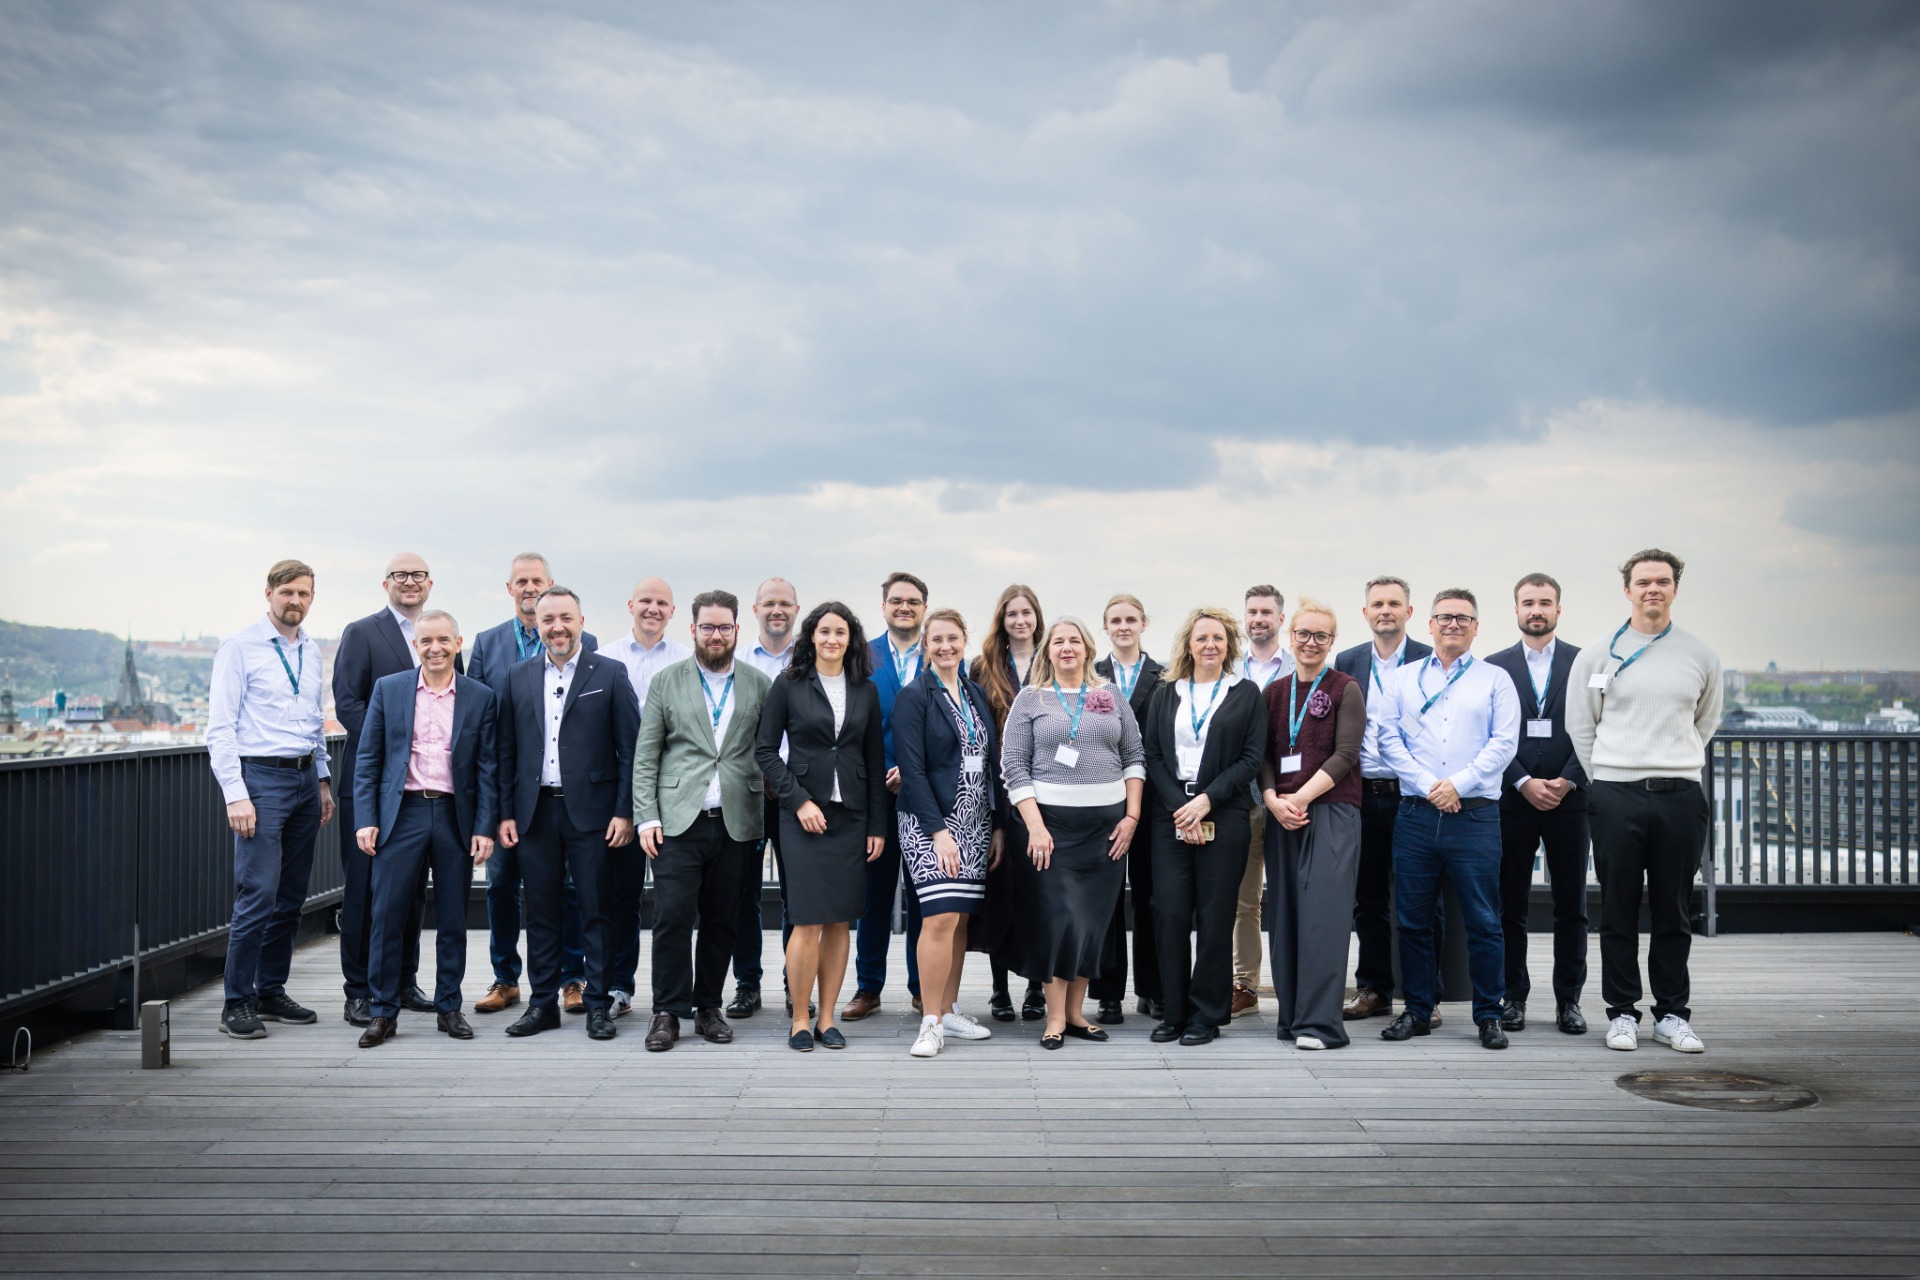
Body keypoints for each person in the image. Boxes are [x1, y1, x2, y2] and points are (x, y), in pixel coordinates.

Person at [1568, 549, 1723, 1054]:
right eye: (1643, 582)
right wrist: (1608, 778)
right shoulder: (1598, 654)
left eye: (1662, 581)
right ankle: (1622, 1013)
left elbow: (1705, 722)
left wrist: (1672, 761)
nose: (1652, 589)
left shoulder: (1701, 655)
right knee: (1617, 909)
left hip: (1680, 796)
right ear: (1627, 590)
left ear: (1675, 589)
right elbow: (1581, 725)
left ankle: (1672, 1014)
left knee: (1673, 911)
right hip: (1616, 795)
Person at [1374, 589, 1520, 1050]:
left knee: (1483, 920)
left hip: (1474, 817)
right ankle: (1418, 1010)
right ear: (1430, 624)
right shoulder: (1403, 678)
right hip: (1416, 815)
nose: (1453, 624)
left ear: (1476, 627)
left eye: (1463, 617)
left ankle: (1489, 1014)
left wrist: (1457, 784)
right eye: (1444, 617)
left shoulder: (1495, 680)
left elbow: (1503, 744)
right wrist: (1429, 785)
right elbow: (1387, 739)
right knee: (1413, 920)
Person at [631, 590, 773, 1052]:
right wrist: (645, 816)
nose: (716, 635)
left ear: (737, 630)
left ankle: (708, 1007)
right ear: (692, 629)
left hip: (737, 819)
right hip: (677, 820)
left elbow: (769, 750)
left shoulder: (758, 684)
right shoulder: (666, 681)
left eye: (724, 627)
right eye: (707, 627)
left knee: (723, 920)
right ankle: (667, 1012)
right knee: (672, 917)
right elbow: (646, 755)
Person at [495, 587, 638, 1041]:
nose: (557, 627)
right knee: (540, 912)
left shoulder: (609, 673)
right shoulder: (517, 676)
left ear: (581, 622)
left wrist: (625, 811)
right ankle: (542, 1005)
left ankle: (597, 1004)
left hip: (593, 814)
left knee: (597, 910)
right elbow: (505, 751)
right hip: (534, 812)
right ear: (537, 625)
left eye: (565, 618)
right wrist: (505, 814)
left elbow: (630, 750)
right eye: (548, 619)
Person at [350, 610, 498, 1046]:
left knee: (452, 918)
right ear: (416, 646)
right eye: (426, 641)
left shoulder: (480, 697)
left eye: (443, 640)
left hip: (455, 816)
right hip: (402, 815)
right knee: (387, 916)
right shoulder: (389, 689)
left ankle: (449, 1007)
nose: (435, 648)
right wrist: (366, 818)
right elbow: (368, 759)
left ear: (458, 643)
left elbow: (488, 768)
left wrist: (485, 827)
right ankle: (383, 1011)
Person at [999, 618, 1146, 1050]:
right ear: (1047, 650)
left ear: (1087, 648)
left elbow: (1134, 755)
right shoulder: (1030, 698)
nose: (1067, 647)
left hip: (1106, 831)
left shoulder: (1111, 695)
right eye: (1058, 641)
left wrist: (1132, 816)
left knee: (1090, 923)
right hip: (1051, 830)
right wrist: (1036, 827)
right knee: (1059, 920)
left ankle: (1077, 1014)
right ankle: (1055, 1017)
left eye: (1074, 641)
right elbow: (1014, 766)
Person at [207, 559, 334, 1039]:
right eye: (287, 592)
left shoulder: (312, 650)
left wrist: (322, 779)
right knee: (258, 893)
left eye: (303, 593)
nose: (295, 600)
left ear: (311, 598)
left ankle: (270, 990)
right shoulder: (239, 647)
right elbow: (220, 727)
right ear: (269, 594)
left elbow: (314, 720)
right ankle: (236, 1002)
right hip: (259, 780)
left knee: (291, 896)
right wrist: (235, 794)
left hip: (304, 779)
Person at [466, 553, 597, 1017]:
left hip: (562, 792)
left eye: (536, 580)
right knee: (501, 884)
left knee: (568, 889)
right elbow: (478, 718)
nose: (528, 587)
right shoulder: (486, 644)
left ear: (550, 584)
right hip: (509, 788)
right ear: (509, 588)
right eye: (520, 580)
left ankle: (572, 978)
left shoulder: (584, 642)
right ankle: (506, 978)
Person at [756, 602, 889, 1051]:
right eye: (825, 631)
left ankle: (827, 1019)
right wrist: (798, 801)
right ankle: (800, 1018)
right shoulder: (788, 684)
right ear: (811, 636)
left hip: (851, 818)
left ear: (851, 640)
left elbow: (874, 761)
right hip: (803, 818)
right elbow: (765, 751)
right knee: (807, 920)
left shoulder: (865, 689)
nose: (832, 639)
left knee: (839, 922)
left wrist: (876, 825)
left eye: (841, 632)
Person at [1140, 608, 1266, 1046]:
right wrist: (1182, 808)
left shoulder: (1245, 693)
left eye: (1218, 638)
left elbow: (1251, 758)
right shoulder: (1166, 694)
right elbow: (1153, 755)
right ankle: (1174, 1012)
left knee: (1216, 915)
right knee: (1169, 911)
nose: (1209, 645)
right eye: (1201, 638)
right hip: (1171, 813)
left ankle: (1206, 1016)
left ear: (1229, 645)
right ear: (1188, 646)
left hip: (1224, 812)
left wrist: (1206, 801)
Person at [331, 552, 444, 1029]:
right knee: (364, 891)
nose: (410, 582)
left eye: (418, 575)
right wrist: (397, 742)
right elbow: (347, 703)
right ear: (386, 584)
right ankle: (359, 990)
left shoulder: (437, 635)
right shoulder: (362, 633)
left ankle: (403, 980)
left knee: (412, 889)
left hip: (420, 789)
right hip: (374, 785)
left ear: (430, 583)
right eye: (401, 575)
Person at [1485, 573, 1591, 1036]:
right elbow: (1488, 733)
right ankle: (1514, 997)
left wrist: (1567, 781)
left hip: (1571, 801)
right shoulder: (1494, 666)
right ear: (1516, 609)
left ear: (1558, 609)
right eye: (1528, 602)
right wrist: (1523, 780)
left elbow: (1596, 729)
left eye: (1545, 602)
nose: (1536, 610)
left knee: (1572, 905)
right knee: (1510, 905)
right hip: (1513, 799)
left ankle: (1569, 1000)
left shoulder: (1584, 663)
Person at [893, 608, 999, 1058]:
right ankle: (930, 1021)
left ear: (964, 640)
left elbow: (989, 762)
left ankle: (949, 1010)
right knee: (938, 917)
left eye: (952, 638)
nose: (945, 646)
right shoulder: (914, 696)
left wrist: (996, 825)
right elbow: (912, 769)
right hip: (929, 823)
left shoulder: (975, 693)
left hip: (974, 823)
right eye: (936, 639)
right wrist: (938, 832)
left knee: (958, 920)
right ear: (925, 645)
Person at [1261, 600, 1366, 1050]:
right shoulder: (1274, 693)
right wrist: (1272, 799)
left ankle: (1320, 1025)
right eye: (1303, 633)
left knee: (1324, 917)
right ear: (1291, 636)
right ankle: (1291, 1018)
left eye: (1321, 635)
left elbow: (1346, 754)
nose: (1311, 642)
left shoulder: (1346, 688)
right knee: (1284, 917)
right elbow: (1264, 756)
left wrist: (1300, 797)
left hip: (1331, 811)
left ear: (1332, 641)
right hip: (1281, 814)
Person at [1332, 577, 1433, 1021]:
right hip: (1362, 793)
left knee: (1420, 897)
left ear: (1409, 612)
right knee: (1368, 899)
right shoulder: (1348, 660)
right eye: (1377, 604)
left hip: (1411, 795)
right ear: (1366, 612)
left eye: (1394, 603)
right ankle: (1374, 988)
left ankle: (1423, 995)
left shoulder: (1428, 659)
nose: (1385, 610)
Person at [600, 576, 695, 1018]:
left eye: (661, 602)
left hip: (676, 794)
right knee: (620, 895)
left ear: (672, 611)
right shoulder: (606, 659)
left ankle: (679, 995)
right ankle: (618, 986)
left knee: (677, 903)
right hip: (621, 792)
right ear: (630, 605)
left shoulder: (688, 661)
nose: (652, 608)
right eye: (645, 601)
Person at [844, 573, 928, 1022]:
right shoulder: (861, 655)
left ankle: (922, 987)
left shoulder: (942, 653)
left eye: (913, 601)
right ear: (883, 607)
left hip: (925, 797)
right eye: (896, 600)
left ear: (924, 608)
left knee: (923, 897)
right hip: (873, 795)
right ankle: (868, 987)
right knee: (873, 897)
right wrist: (880, 773)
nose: (904, 607)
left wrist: (913, 773)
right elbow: (850, 725)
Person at [970, 584, 1047, 1023]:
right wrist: (997, 819)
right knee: (998, 894)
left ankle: (1036, 987)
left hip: (1045, 795)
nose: (1020, 620)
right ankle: (999, 989)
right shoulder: (983, 667)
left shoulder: (1052, 660)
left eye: (1026, 612)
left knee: (1038, 895)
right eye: (1012, 613)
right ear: (1002, 619)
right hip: (997, 795)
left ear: (1037, 617)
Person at [729, 577, 800, 1020]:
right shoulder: (736, 661)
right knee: (744, 894)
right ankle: (747, 984)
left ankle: (797, 984)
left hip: (797, 795)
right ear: (754, 610)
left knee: (798, 896)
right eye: (769, 603)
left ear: (796, 610)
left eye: (785, 603)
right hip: (749, 793)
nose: (777, 610)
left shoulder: (809, 661)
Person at [1094, 593, 1162, 1024]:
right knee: (1107, 896)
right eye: (1115, 620)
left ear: (1143, 624)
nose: (1123, 626)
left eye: (1130, 619)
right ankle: (1108, 993)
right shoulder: (1091, 675)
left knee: (1152, 895)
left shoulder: (1166, 677)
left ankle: (1152, 990)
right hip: (1102, 798)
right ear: (1105, 627)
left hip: (1151, 799)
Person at [1229, 585, 1295, 1018]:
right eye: (1252, 611)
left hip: (1290, 797)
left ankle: (1296, 982)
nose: (1258, 619)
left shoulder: (1300, 665)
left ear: (1280, 619)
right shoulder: (1229, 668)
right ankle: (1245, 985)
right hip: (1242, 798)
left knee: (1292, 896)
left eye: (1266, 612)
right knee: (1244, 900)